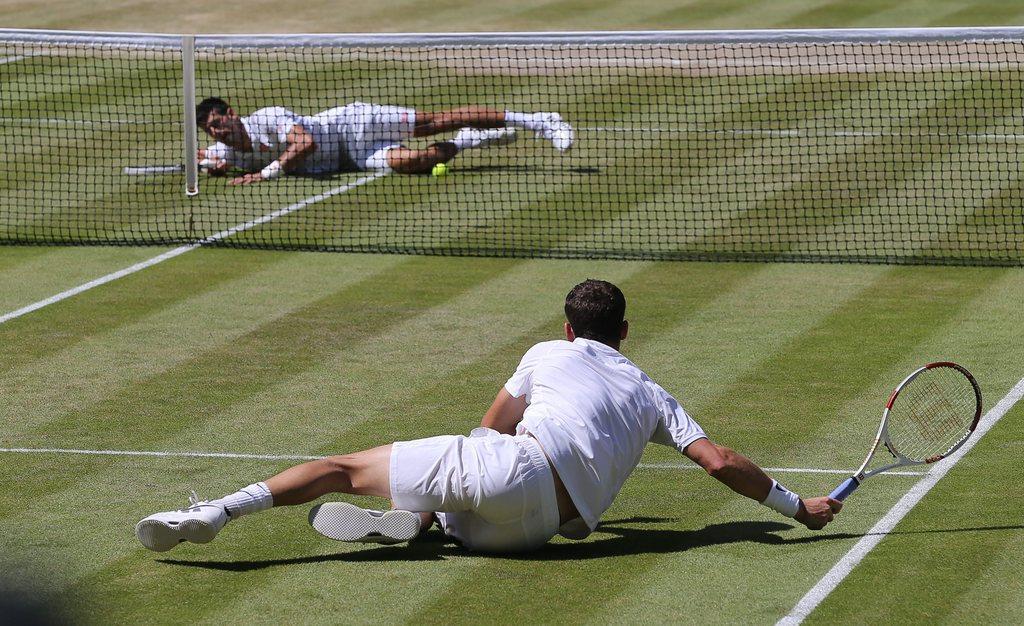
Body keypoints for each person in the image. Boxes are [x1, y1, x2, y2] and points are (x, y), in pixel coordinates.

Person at [135, 279, 842, 554]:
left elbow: (492, 427)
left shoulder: (544, 351)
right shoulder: (654, 395)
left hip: (511, 472)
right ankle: (423, 519)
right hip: (534, 535)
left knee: (338, 470)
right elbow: (719, 463)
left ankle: (215, 515)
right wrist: (796, 505)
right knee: (463, 502)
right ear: (625, 334)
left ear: (568, 330)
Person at [194, 97, 574, 184]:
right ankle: (468, 142)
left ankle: (538, 121)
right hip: (355, 156)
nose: (217, 132)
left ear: (230, 112)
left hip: (355, 124)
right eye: (210, 130)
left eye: (217, 123)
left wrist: (267, 174)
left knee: (433, 122)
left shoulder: (268, 119)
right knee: (415, 162)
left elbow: (305, 143)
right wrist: (208, 165)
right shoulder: (226, 150)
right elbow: (208, 160)